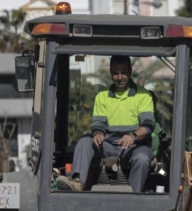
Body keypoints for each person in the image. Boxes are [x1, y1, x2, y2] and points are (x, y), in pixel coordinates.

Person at [57, 55, 155, 192]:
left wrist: (133, 136)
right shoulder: (102, 96)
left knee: (143, 158)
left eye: (123, 73)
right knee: (84, 142)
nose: (120, 77)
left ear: (130, 71)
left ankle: (134, 195)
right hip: (108, 144)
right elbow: (98, 124)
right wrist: (97, 135)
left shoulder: (143, 96)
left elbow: (148, 125)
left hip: (135, 145)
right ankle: (77, 183)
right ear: (110, 73)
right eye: (116, 73)